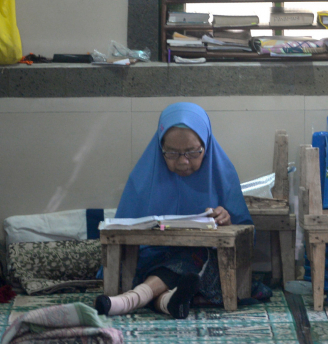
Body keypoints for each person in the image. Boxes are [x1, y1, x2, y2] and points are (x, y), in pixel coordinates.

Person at [95, 102, 254, 319]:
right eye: (171, 153)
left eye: (192, 152)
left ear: (206, 144)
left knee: (194, 257)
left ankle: (130, 300)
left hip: (204, 266)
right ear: (160, 147)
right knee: (171, 265)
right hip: (151, 262)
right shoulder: (143, 179)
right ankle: (169, 301)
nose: (182, 162)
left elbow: (246, 236)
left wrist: (228, 221)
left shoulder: (222, 174)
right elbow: (120, 234)